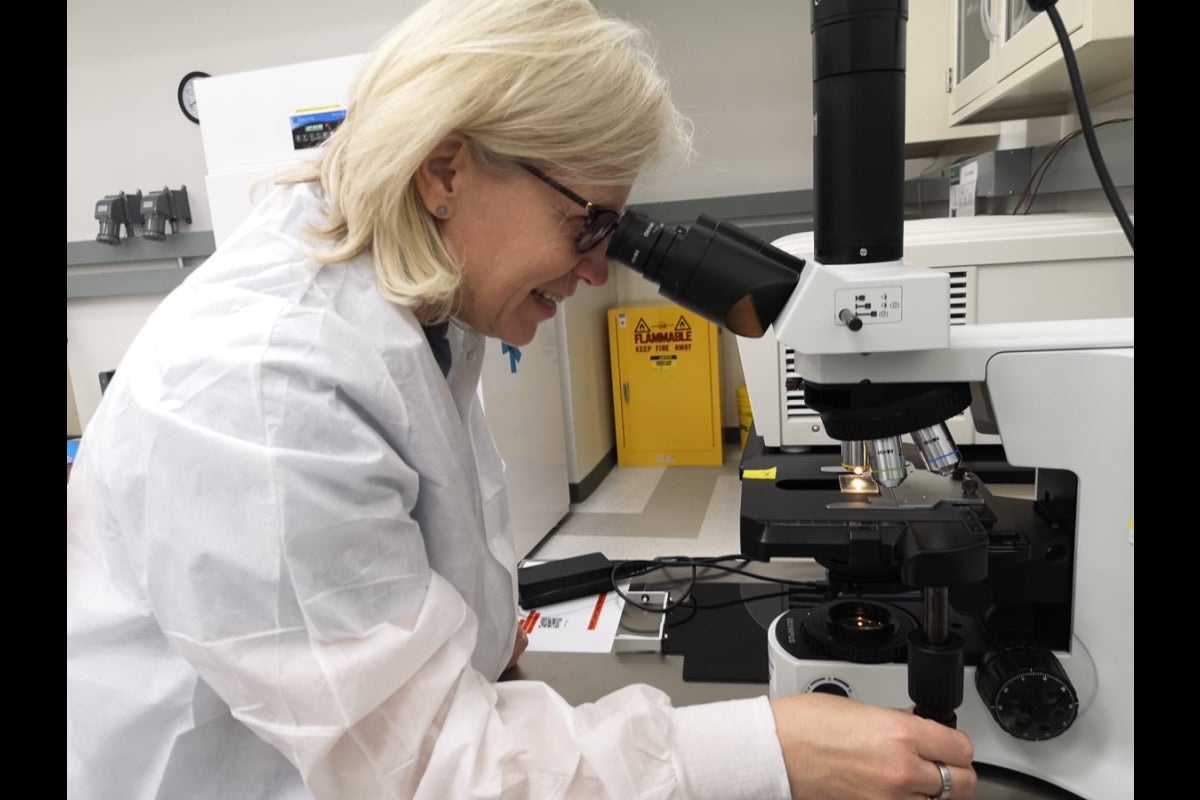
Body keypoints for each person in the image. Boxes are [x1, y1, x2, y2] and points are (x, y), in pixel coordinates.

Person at [66, 1, 978, 798]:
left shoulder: (415, 301)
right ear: (445, 168)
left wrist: (474, 646)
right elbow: (426, 775)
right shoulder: (263, 391)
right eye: (587, 223)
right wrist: (768, 754)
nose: (593, 268)